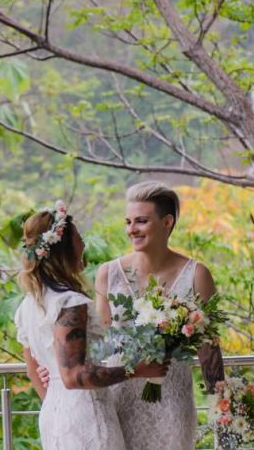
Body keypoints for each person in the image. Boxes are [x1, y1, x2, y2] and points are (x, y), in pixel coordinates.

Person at [14, 202, 167, 450]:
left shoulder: (28, 305)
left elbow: (34, 371)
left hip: (54, 415)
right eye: (79, 239)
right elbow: (74, 376)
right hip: (88, 418)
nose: (83, 245)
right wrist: (139, 370)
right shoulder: (70, 303)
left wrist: (61, 407)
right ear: (64, 250)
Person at [96, 181, 225, 450]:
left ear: (167, 222)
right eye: (128, 221)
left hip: (173, 400)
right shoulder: (108, 274)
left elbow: (209, 349)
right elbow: (101, 343)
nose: (131, 229)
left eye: (141, 221)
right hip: (120, 397)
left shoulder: (196, 274)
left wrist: (221, 406)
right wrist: (59, 369)